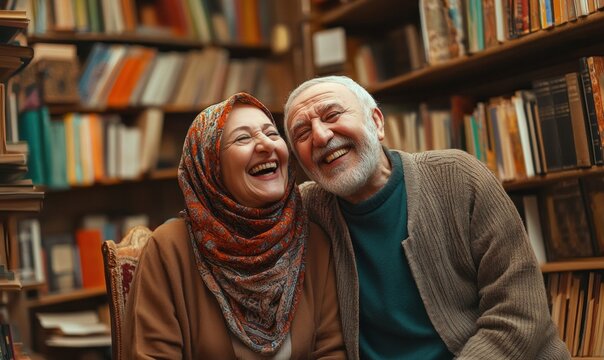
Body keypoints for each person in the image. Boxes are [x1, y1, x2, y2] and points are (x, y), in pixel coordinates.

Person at [283, 75, 571, 360]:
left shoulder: (457, 176)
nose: (320, 136)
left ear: (377, 122)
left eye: (332, 114)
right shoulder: (308, 211)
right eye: (302, 133)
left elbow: (520, 312)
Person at [124, 92, 345, 359]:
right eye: (243, 138)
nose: (266, 145)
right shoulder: (169, 249)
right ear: (210, 165)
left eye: (272, 134)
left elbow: (332, 351)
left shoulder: (315, 241)